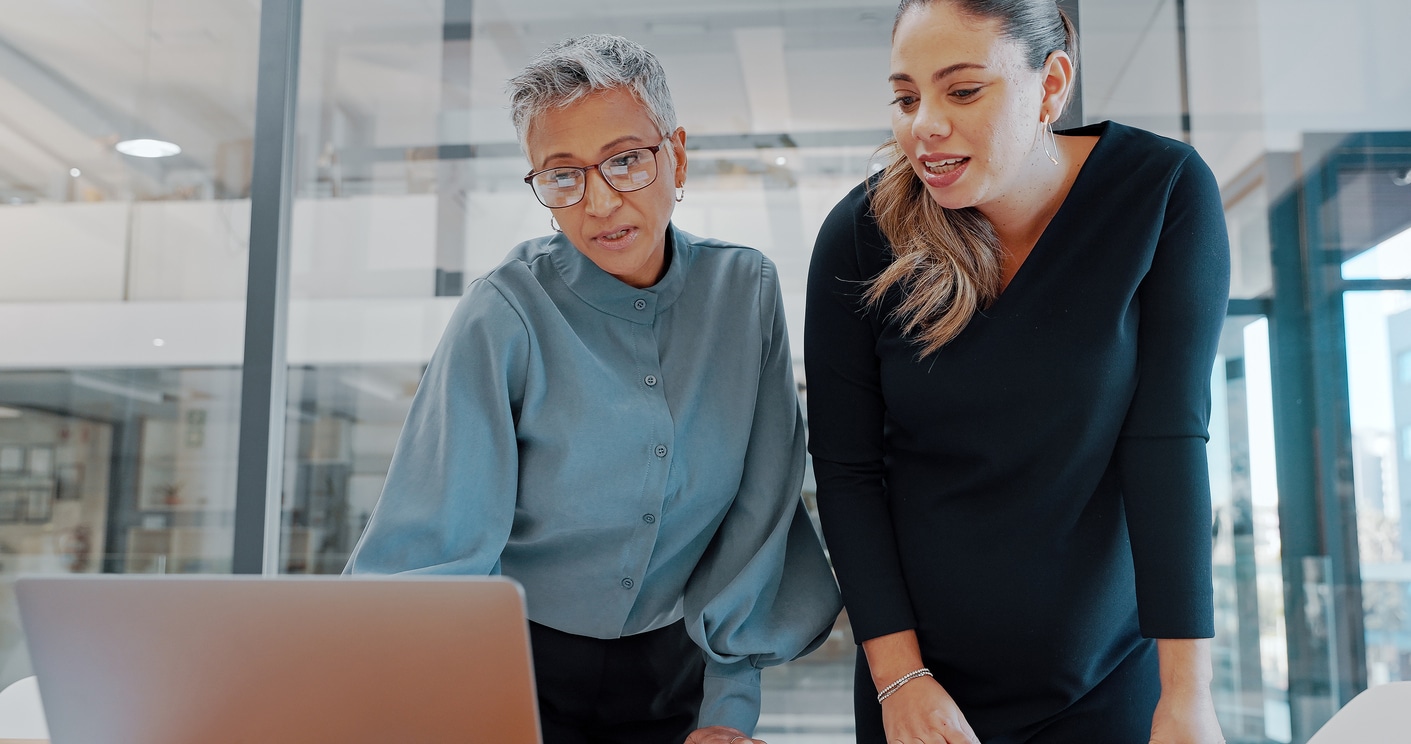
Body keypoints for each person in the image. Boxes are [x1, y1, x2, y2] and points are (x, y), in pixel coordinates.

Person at [346, 34, 841, 744]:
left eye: (626, 161)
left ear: (677, 155)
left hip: (680, 672)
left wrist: (729, 711)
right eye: (562, 174)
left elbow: (758, 515)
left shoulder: (744, 293)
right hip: (512, 668)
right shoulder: (504, 311)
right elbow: (437, 544)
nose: (600, 201)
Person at [804, 1, 1229, 743]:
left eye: (961, 90)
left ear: (1050, 83)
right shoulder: (859, 236)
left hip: (1108, 675)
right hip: (919, 685)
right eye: (906, 98)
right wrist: (898, 679)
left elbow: (1167, 440)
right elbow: (846, 470)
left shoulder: (1160, 192)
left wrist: (1185, 694)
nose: (923, 125)